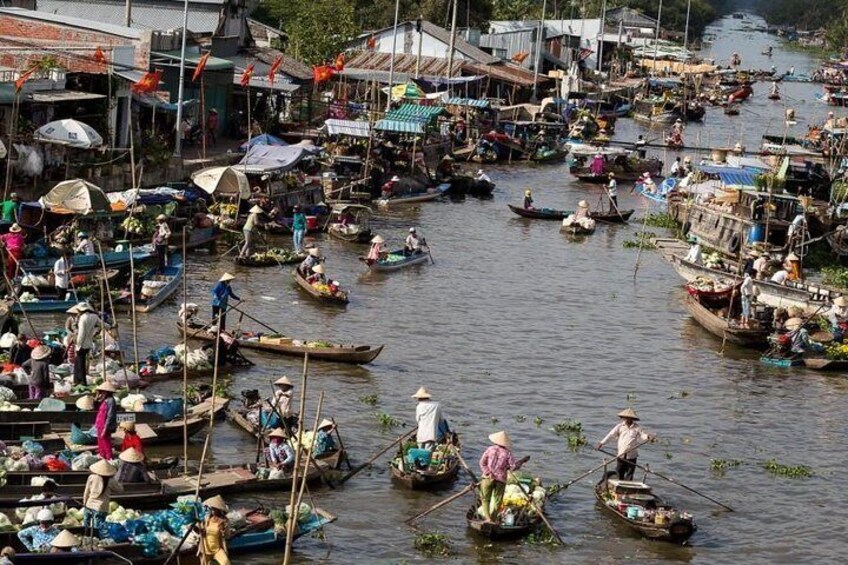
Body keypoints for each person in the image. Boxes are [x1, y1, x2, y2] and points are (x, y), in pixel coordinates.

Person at [478, 431, 528, 524]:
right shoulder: (508, 453)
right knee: (497, 500)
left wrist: (488, 472)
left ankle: (487, 519)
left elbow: (482, 462)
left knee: (485, 499)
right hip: (500, 480)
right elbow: (513, 467)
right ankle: (492, 519)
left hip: (487, 478)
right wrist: (521, 462)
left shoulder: (490, 449)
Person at [597, 408, 654, 481]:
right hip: (621, 454)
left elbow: (643, 435)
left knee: (630, 473)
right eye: (626, 417)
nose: (628, 419)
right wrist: (601, 443)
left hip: (632, 455)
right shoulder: (619, 426)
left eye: (630, 418)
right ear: (624, 418)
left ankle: (628, 488)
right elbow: (610, 435)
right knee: (619, 472)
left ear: (632, 418)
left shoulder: (637, 428)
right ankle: (618, 487)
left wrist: (648, 437)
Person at [82, 460, 122, 531]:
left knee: (86, 528)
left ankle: (86, 538)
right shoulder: (111, 480)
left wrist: (84, 503)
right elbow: (120, 490)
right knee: (98, 529)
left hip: (89, 505)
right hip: (101, 507)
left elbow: (86, 492)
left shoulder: (91, 477)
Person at [73, 302, 101, 386]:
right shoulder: (94, 316)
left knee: (80, 363)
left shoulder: (83, 318)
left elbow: (81, 333)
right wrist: (110, 327)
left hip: (82, 344)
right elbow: (102, 324)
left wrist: (78, 344)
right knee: (78, 362)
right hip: (88, 344)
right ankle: (77, 380)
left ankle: (82, 381)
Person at [200, 495, 230, 565]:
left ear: (219, 509)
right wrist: (200, 530)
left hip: (217, 549)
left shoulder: (224, 521)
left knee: (225, 562)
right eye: (212, 508)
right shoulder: (207, 518)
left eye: (214, 508)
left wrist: (223, 529)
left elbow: (227, 535)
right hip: (206, 548)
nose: (212, 510)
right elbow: (202, 531)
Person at [94, 382, 118, 459]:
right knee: (100, 442)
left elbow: (110, 415)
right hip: (99, 424)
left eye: (103, 391)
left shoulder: (111, 401)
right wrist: (97, 397)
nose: (102, 392)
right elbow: (95, 406)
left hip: (105, 425)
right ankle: (102, 456)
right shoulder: (104, 399)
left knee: (106, 442)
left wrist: (105, 428)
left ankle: (109, 458)